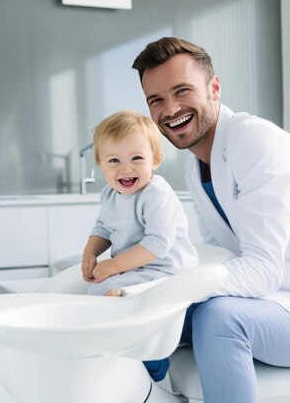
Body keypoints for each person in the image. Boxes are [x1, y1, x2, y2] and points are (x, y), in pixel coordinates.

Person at [132, 37, 290, 403]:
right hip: (266, 301)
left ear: (214, 88)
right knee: (136, 313)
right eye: (156, 100)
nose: (171, 108)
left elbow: (263, 269)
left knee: (218, 318)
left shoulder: (255, 141)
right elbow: (218, 255)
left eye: (182, 91)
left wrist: (178, 290)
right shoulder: (197, 166)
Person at [81, 110, 199, 381]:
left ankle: (151, 361)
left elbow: (158, 244)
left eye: (136, 158)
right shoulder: (110, 193)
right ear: (100, 164)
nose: (125, 169)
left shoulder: (156, 194)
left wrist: (112, 266)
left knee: (112, 296)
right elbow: (103, 228)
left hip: (166, 271)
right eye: (114, 160)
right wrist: (91, 252)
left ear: (155, 160)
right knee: (95, 293)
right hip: (138, 269)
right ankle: (110, 355)